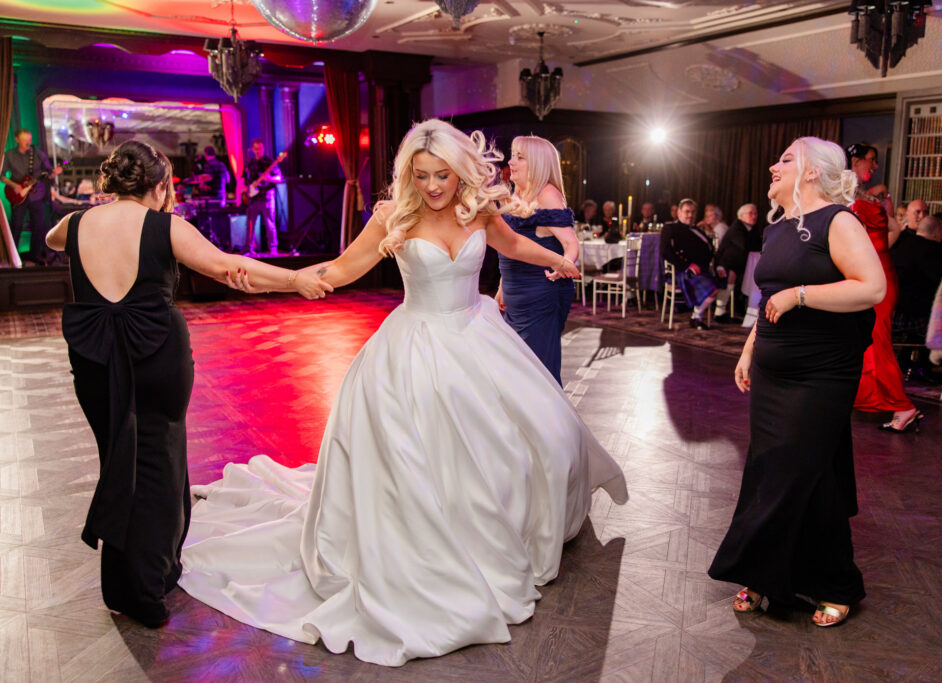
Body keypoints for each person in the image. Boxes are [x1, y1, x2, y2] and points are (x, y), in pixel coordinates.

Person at [176, 119, 628, 666]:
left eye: (442, 175)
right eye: (422, 175)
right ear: (409, 173)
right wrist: (297, 279)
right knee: (425, 461)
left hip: (478, 337)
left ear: (460, 171)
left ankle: (508, 534)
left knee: (544, 436)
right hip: (415, 347)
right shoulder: (394, 215)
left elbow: (512, 245)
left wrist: (557, 259)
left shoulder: (477, 208)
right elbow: (344, 267)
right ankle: (444, 550)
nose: (434, 186)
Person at [43, 140, 330, 629]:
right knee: (160, 458)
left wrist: (96, 219)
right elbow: (225, 267)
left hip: (94, 354)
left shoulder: (76, 224)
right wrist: (295, 279)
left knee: (116, 456)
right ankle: (147, 587)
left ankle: (119, 584)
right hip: (155, 350)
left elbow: (51, 239)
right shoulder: (165, 226)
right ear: (159, 186)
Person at [709, 137, 886, 628]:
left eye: (786, 159)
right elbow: (768, 297)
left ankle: (832, 583)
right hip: (772, 370)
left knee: (794, 470)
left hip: (821, 374)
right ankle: (774, 576)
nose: (773, 165)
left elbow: (871, 287)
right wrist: (749, 350)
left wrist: (801, 296)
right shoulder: (782, 227)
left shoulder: (838, 220)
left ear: (811, 172)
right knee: (783, 470)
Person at [845, 143, 921, 432]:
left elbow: (894, 229)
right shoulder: (858, 194)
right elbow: (894, 230)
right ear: (856, 160)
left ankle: (904, 407)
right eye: (871, 161)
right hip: (876, 276)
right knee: (867, 342)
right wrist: (874, 259)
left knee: (877, 345)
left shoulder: (858, 196)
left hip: (877, 282)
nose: (874, 167)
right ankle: (862, 398)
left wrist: (871, 259)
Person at [494, 135, 580, 384]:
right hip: (516, 293)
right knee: (517, 372)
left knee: (536, 374)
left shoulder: (546, 194)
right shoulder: (514, 196)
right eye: (513, 155)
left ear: (539, 164)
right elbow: (513, 248)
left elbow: (570, 242)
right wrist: (502, 286)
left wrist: (564, 264)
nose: (512, 162)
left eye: (520, 157)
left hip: (540, 294)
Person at [890, 215, 942, 381]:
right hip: (919, 311)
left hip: (896, 307)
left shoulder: (901, 245)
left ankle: (904, 362)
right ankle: (923, 366)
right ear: (938, 232)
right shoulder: (934, 251)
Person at [2, 128, 62, 264]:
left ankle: (34, 254)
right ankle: (13, 256)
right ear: (17, 140)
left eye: (28, 140)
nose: (27, 143)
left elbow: (48, 173)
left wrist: (55, 173)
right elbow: (2, 176)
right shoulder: (9, 155)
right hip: (18, 195)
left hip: (37, 194)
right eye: (24, 141)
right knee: (17, 225)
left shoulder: (38, 154)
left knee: (38, 225)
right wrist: (14, 185)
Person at [660, 198, 718, 329]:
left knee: (720, 282)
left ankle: (697, 316)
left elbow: (710, 249)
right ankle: (696, 317)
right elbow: (665, 252)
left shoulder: (697, 229)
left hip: (703, 269)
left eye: (693, 212)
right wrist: (687, 266)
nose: (690, 215)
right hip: (683, 271)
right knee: (713, 289)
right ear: (679, 213)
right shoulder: (670, 228)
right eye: (687, 212)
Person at [713, 203, 761, 321]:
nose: (754, 216)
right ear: (741, 216)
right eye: (751, 213)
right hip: (724, 264)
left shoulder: (753, 229)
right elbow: (746, 245)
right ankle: (720, 312)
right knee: (731, 275)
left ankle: (749, 310)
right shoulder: (737, 227)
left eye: (755, 213)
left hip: (741, 265)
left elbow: (759, 245)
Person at [243, 138, 283, 255]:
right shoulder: (250, 163)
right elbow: (245, 178)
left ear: (263, 148)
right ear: (252, 149)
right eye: (255, 149)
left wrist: (269, 178)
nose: (258, 151)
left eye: (260, 148)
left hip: (266, 198)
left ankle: (273, 249)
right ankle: (249, 249)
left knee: (269, 224)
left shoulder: (269, 162)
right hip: (253, 199)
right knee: (250, 224)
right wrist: (245, 188)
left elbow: (279, 178)